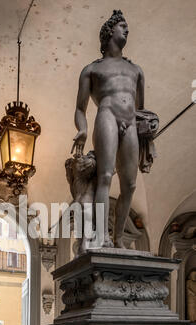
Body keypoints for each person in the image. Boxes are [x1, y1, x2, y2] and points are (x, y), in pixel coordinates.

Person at [72, 10, 148, 249]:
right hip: (106, 115)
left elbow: (142, 110)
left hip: (131, 122)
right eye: (122, 26)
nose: (127, 30)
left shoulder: (136, 70)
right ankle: (102, 235)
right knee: (105, 176)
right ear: (109, 32)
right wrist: (82, 130)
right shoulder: (91, 69)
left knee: (130, 185)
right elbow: (80, 108)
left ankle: (118, 239)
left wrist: (147, 134)